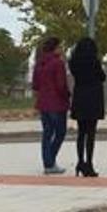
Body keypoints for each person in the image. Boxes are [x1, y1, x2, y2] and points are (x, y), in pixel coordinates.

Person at [32, 37, 69, 174]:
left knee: (47, 133)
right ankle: (50, 160)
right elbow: (61, 85)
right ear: (56, 48)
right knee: (60, 132)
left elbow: (35, 85)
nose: (62, 49)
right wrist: (67, 96)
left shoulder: (39, 63)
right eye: (61, 47)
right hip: (57, 103)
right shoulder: (58, 63)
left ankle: (48, 161)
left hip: (43, 103)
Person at [69, 37, 105, 177]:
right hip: (93, 99)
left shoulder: (74, 62)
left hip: (80, 98)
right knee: (91, 134)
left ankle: (80, 161)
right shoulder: (94, 62)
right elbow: (102, 77)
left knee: (81, 133)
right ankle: (89, 163)